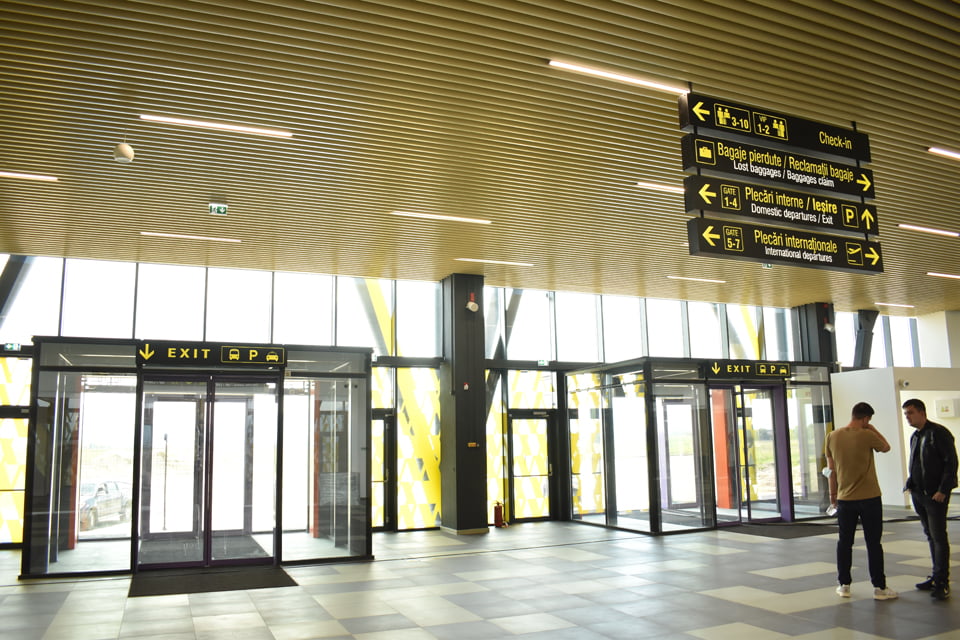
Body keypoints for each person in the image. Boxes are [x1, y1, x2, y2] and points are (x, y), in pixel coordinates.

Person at [824, 402, 897, 600]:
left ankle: (844, 585)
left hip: (844, 499)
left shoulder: (832, 436)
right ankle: (879, 587)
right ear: (865, 418)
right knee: (873, 543)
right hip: (870, 498)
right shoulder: (867, 434)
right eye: (869, 420)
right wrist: (872, 428)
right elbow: (886, 447)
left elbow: (831, 470)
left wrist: (833, 496)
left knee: (844, 542)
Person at [903, 398, 958, 601]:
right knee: (930, 535)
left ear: (921, 412)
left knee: (938, 537)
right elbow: (916, 462)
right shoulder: (916, 436)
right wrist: (910, 483)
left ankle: (942, 581)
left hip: (935, 495)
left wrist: (943, 489)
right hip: (919, 493)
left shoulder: (938, 433)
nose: (907, 417)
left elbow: (951, 463)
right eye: (905, 414)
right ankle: (936, 575)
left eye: (910, 413)